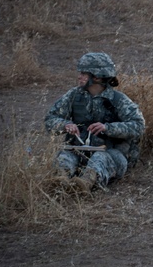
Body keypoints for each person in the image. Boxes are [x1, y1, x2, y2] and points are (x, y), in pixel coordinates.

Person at [45, 52, 145, 193]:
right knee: (64, 158)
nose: (79, 77)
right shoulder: (74, 95)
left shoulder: (118, 100)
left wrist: (108, 128)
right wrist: (65, 125)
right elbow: (50, 119)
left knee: (100, 159)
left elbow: (138, 126)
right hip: (77, 151)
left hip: (111, 154)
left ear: (97, 77)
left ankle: (85, 184)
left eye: (84, 74)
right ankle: (60, 182)